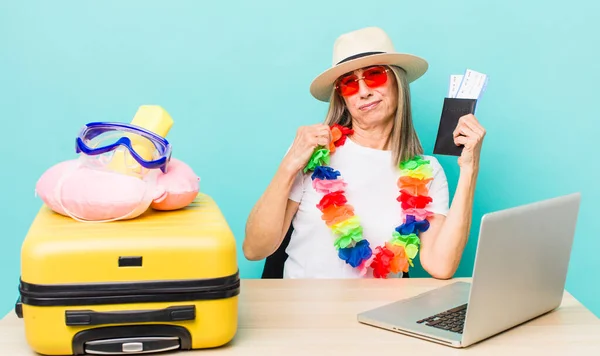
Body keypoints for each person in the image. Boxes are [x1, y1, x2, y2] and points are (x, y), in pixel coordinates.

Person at [243, 27, 486, 279]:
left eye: (374, 75)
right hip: (305, 312)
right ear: (342, 97)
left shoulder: (426, 172)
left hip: (376, 315)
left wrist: (469, 169)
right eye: (349, 83)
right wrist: (290, 164)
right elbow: (254, 249)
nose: (363, 91)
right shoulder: (314, 154)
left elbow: (441, 266)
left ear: (397, 81)